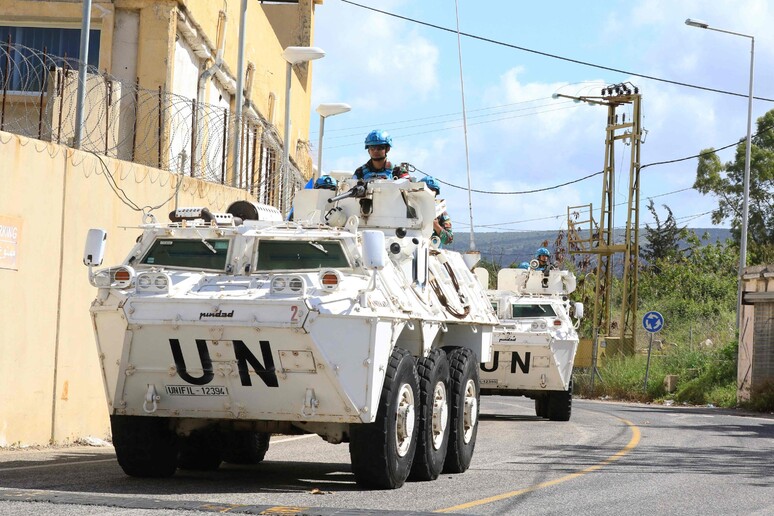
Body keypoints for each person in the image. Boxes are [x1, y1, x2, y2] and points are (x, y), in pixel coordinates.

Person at [419, 176, 453, 246]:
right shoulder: (411, 207)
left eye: (433, 192)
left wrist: (436, 226)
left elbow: (449, 239)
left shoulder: (440, 212)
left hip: (432, 251)